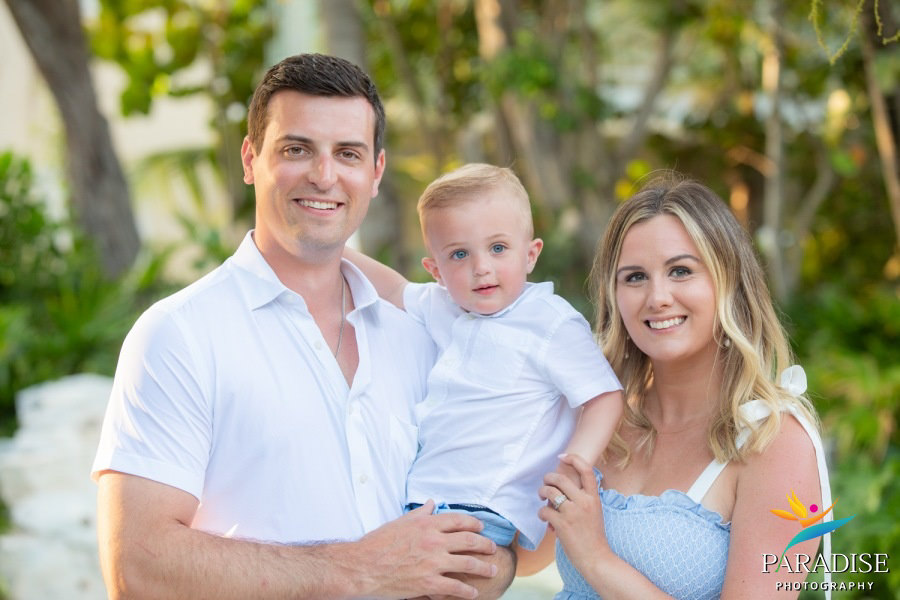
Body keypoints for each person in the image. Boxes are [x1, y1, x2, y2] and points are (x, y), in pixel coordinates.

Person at [91, 53, 513, 600]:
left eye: (348, 154)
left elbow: (499, 541)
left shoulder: (421, 336)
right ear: (250, 159)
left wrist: (487, 561)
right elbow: (136, 566)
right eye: (297, 149)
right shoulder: (179, 335)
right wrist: (357, 571)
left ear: (376, 172)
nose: (324, 175)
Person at [521, 174, 833, 598]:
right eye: (634, 277)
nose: (657, 297)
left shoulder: (776, 444)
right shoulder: (600, 420)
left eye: (681, 271)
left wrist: (596, 558)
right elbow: (526, 556)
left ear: (728, 281)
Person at [344, 163, 624, 557]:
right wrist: (329, 247)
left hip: (485, 506)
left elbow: (604, 395)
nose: (481, 267)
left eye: (497, 248)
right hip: (420, 501)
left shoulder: (549, 321)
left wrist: (575, 464)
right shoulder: (443, 306)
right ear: (435, 270)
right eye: (459, 254)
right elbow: (392, 287)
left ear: (530, 254)